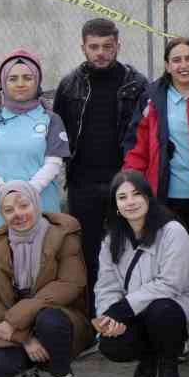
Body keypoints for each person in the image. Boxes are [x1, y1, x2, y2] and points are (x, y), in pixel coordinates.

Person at [123, 36, 189, 364]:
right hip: (163, 199)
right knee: (165, 266)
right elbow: (137, 144)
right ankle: (167, 333)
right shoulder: (152, 96)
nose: (183, 65)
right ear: (166, 64)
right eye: (176, 59)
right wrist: (131, 186)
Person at [52, 19, 148, 314]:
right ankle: (96, 317)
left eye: (107, 47)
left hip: (126, 184)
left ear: (118, 45)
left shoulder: (137, 84)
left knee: (131, 250)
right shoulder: (69, 85)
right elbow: (59, 133)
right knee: (89, 253)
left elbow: (145, 134)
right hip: (83, 184)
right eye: (94, 47)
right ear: (83, 47)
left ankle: (130, 314)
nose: (101, 53)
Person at [90, 170, 189, 377]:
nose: (130, 202)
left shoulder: (172, 231)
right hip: (133, 310)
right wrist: (109, 316)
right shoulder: (112, 239)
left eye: (136, 194)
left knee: (161, 310)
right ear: (116, 205)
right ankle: (148, 356)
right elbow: (106, 285)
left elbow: (171, 283)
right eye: (122, 197)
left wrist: (123, 308)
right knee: (112, 345)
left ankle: (168, 368)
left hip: (177, 305)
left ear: (148, 197)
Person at [0, 181, 89, 377]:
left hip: (58, 313)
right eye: (9, 210)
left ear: (36, 205)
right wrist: (24, 338)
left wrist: (15, 320)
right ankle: (29, 368)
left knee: (49, 320)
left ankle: (61, 375)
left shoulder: (63, 234)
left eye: (23, 206)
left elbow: (70, 284)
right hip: (17, 324)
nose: (17, 214)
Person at [0, 51, 71, 232]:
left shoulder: (52, 120)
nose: (20, 84)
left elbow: (54, 163)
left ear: (37, 81)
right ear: (3, 82)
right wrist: (3, 190)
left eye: (27, 78)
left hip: (42, 211)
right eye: (13, 78)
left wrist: (28, 191)